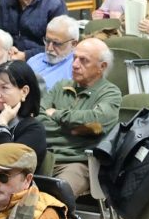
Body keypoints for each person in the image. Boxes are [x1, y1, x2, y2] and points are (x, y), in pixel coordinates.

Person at [38, 36, 121, 200]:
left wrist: (56, 114)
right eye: (74, 58)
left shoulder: (110, 93)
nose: (75, 65)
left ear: (102, 67)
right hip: (43, 156)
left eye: (84, 61)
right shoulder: (61, 86)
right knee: (6, 185)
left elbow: (96, 122)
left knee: (55, 198)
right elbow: (38, 119)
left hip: (78, 163)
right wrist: (74, 129)